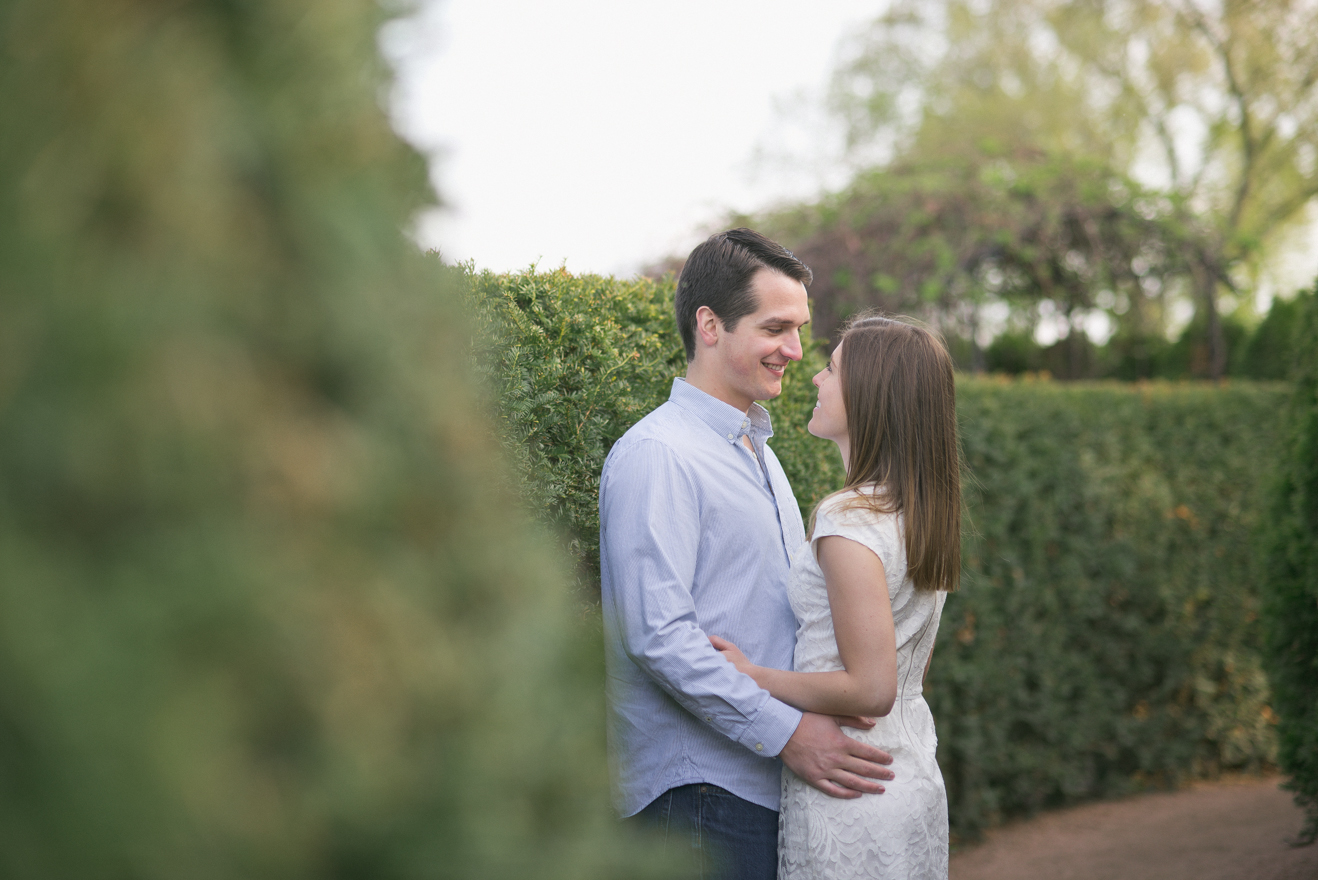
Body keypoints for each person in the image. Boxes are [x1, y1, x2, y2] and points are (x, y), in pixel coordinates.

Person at [599, 229, 896, 880]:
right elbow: (658, 637)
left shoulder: (759, 453)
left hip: (755, 788)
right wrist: (790, 733)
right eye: (775, 329)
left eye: (799, 330)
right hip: (698, 797)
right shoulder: (660, 455)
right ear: (709, 325)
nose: (794, 350)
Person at [711, 314, 961, 879]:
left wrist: (754, 676)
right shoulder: (917, 513)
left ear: (873, 396)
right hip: (907, 771)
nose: (817, 379)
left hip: (851, 787)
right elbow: (904, 673)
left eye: (832, 368)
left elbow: (872, 688)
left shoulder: (847, 518)